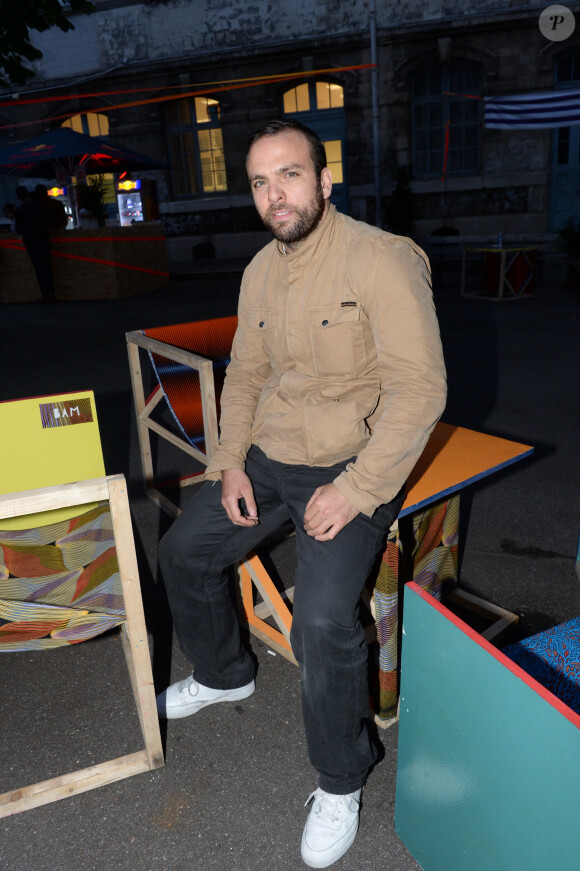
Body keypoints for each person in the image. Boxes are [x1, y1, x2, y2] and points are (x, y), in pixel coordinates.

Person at [156, 119, 447, 868]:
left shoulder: (381, 261)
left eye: (289, 175)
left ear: (324, 181)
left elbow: (420, 394)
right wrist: (229, 462)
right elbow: (246, 376)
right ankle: (224, 672)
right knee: (183, 550)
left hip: (355, 465)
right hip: (269, 457)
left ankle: (341, 777)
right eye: (259, 181)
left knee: (321, 620)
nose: (274, 194)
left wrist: (354, 491)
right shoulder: (258, 271)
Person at [14, 184, 60, 302]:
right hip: (43, 238)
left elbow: (19, 229)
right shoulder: (40, 207)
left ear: (19, 197)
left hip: (31, 241)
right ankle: (51, 292)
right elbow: (51, 220)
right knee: (47, 266)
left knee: (39, 268)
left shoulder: (19, 211)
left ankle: (46, 293)